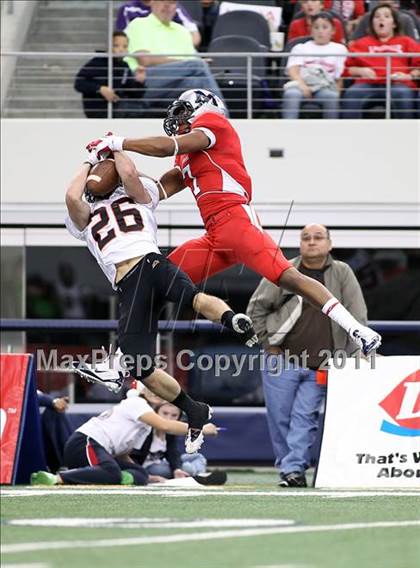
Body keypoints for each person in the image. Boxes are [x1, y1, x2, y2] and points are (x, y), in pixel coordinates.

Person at [87, 89, 381, 358]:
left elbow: (167, 147)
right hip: (214, 235)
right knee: (150, 283)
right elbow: (154, 192)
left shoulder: (215, 124)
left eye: (183, 111)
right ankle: (120, 363)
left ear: (203, 108)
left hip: (235, 220)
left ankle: (357, 330)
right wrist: (117, 161)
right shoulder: (187, 158)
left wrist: (119, 141)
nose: (178, 119)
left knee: (288, 278)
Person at [65, 147, 257, 453]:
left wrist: (113, 149)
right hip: (134, 280)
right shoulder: (91, 213)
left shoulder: (137, 195)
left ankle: (230, 320)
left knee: (188, 301)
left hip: (145, 266)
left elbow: (124, 175)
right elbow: (76, 197)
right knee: (142, 366)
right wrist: (98, 159)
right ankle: (194, 406)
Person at [246, 224, 369, 487]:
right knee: (279, 418)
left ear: (329, 244)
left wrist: (356, 353)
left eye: (318, 237)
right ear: (300, 244)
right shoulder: (283, 269)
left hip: (322, 364)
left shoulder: (342, 272)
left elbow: (356, 315)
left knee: (305, 418)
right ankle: (290, 467)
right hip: (281, 360)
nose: (312, 242)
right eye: (306, 238)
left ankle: (293, 469)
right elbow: (256, 308)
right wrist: (268, 345)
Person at [31, 381, 218, 486]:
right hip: (85, 442)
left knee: (140, 473)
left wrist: (145, 475)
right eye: (151, 387)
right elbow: (165, 425)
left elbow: (123, 452)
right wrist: (199, 428)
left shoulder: (145, 417)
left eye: (159, 389)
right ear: (140, 389)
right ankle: (57, 478)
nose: (155, 391)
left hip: (97, 448)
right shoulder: (136, 403)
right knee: (111, 471)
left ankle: (107, 477)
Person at [123, 0, 223, 111]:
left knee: (197, 82)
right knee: (197, 65)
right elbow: (145, 60)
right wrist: (185, 63)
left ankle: (213, 120)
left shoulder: (182, 31)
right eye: (162, 1)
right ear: (152, 3)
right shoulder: (139, 24)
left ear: (176, 6)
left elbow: (195, 64)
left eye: (171, 2)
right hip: (145, 81)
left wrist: (194, 64)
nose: (166, 5)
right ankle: (224, 117)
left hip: (176, 87)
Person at [342, 4, 420, 118]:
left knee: (403, 94)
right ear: (372, 23)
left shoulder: (407, 42)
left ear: (394, 24)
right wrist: (360, 71)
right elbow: (347, 69)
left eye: (386, 16)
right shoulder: (360, 43)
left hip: (398, 84)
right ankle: (350, 133)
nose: (381, 19)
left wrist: (408, 76)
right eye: (377, 16)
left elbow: (418, 68)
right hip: (367, 84)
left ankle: (406, 134)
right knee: (352, 94)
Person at [283, 12, 348, 119]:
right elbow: (293, 70)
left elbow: (340, 77)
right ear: (311, 31)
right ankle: (288, 130)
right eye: (316, 27)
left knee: (332, 97)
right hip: (301, 85)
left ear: (333, 31)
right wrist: (303, 86)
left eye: (325, 27)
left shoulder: (340, 49)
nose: (320, 31)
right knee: (291, 94)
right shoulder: (300, 47)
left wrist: (338, 93)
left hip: (325, 87)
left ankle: (331, 132)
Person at [74, 31, 146, 119]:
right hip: (99, 109)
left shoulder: (124, 66)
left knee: (147, 108)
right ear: (108, 47)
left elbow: (134, 94)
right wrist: (100, 89)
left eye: (125, 46)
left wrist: (139, 82)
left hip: (119, 106)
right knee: (139, 110)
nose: (121, 49)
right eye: (116, 45)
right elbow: (79, 83)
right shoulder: (97, 62)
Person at [132, 401, 207, 478]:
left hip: (165, 462)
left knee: (197, 457)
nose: (168, 418)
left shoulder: (170, 433)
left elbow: (173, 454)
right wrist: (146, 476)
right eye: (165, 413)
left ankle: (190, 474)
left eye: (174, 415)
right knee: (183, 468)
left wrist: (177, 469)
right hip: (148, 467)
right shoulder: (145, 430)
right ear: (156, 413)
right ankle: (195, 475)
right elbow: (133, 458)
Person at [115, 0, 201, 47]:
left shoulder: (172, 7)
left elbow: (195, 36)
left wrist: (183, 51)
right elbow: (121, 41)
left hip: (174, 55)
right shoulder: (128, 10)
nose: (167, 7)